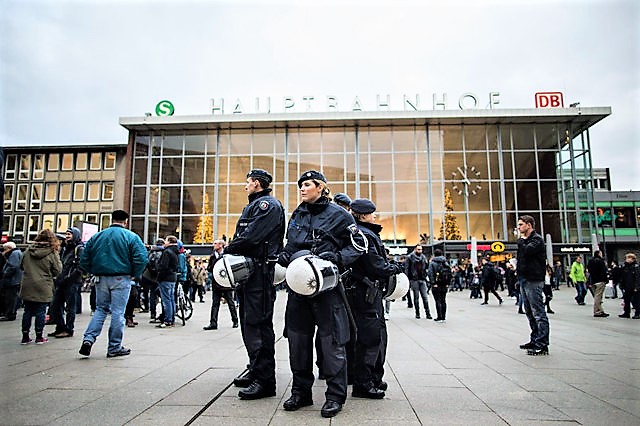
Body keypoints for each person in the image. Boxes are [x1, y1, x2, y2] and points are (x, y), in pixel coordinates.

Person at [278, 170, 366, 418]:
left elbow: (358, 245)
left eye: (307, 185)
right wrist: (286, 255)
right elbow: (291, 243)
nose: (302, 189)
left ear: (321, 187)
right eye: (300, 186)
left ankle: (335, 396)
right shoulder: (298, 213)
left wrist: (337, 258)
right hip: (298, 288)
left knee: (332, 343)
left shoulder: (339, 214)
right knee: (298, 342)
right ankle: (300, 393)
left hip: (327, 290)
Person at [224, 169, 285, 400]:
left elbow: (251, 237)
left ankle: (265, 380)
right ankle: (255, 368)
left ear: (257, 184)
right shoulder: (256, 205)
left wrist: (230, 248)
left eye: (247, 182)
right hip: (251, 274)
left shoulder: (267, 206)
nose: (245, 186)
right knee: (249, 324)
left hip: (260, 272)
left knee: (258, 325)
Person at [347, 198, 400, 399]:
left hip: (366, 293)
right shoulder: (364, 235)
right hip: (365, 294)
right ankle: (364, 384)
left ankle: (373, 379)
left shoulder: (363, 233)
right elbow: (376, 266)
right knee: (369, 339)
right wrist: (395, 268)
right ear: (363, 215)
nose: (374, 215)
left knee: (374, 337)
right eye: (371, 213)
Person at [78, 210, 148, 358]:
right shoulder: (131, 237)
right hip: (121, 278)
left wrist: (93, 270)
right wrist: (134, 274)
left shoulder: (97, 236)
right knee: (118, 312)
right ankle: (114, 346)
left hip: (101, 277)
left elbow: (84, 257)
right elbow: (141, 258)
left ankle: (88, 339)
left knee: (100, 309)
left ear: (112, 219)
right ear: (126, 221)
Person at [19, 229, 62, 344]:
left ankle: (25, 336)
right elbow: (58, 270)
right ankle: (39, 336)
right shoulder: (52, 252)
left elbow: (21, 265)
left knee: (27, 311)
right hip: (44, 284)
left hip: (28, 283)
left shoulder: (29, 250)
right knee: (41, 311)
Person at [516, 215, 550, 356]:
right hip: (525, 279)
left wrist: (521, 240)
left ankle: (542, 344)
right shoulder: (526, 241)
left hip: (534, 279)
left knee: (538, 312)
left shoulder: (537, 240)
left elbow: (527, 251)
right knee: (529, 312)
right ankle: (535, 339)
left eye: (521, 224)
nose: (518, 227)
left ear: (529, 225)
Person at [48, 227, 84, 337]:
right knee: (55, 305)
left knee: (70, 307)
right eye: (67, 234)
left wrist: (70, 278)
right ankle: (60, 327)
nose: (67, 236)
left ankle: (68, 329)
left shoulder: (79, 249)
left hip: (71, 282)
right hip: (61, 281)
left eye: (70, 234)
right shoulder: (65, 248)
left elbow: (81, 266)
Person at [204, 239, 238, 330]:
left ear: (221, 245)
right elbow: (209, 268)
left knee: (230, 303)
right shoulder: (212, 256)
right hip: (216, 284)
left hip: (226, 283)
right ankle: (213, 323)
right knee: (215, 304)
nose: (214, 245)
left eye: (215, 243)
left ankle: (235, 321)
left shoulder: (226, 255)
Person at [156, 236, 180, 328]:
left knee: (166, 300)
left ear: (169, 242)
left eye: (166, 241)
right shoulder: (176, 252)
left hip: (165, 278)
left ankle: (167, 320)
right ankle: (172, 319)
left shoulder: (167, 252)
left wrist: (159, 276)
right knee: (171, 299)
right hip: (173, 277)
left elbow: (163, 266)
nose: (164, 243)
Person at [404, 244, 432, 319]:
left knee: (425, 297)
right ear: (415, 249)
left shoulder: (423, 257)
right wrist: (408, 279)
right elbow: (407, 269)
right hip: (414, 280)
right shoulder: (410, 257)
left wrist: (426, 276)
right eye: (418, 249)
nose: (420, 251)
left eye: (421, 249)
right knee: (416, 297)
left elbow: (426, 267)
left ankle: (428, 313)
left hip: (422, 279)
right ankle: (417, 313)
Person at [141, 239, 164, 322]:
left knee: (152, 295)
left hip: (149, 276)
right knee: (163, 296)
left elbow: (146, 263)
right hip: (159, 276)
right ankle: (163, 313)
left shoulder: (151, 252)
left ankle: (152, 313)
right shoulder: (163, 252)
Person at [0, 241, 24, 321]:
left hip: (12, 280)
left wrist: (5, 273)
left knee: (10, 298)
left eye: (5, 249)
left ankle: (9, 314)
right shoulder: (18, 253)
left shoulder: (14, 254)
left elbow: (13, 266)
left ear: (9, 248)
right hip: (16, 279)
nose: (4, 251)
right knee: (12, 297)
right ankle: (10, 313)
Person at [428, 248, 450, 322]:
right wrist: (447, 283)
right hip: (444, 284)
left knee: (437, 300)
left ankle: (439, 316)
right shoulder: (445, 262)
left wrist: (433, 283)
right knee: (443, 300)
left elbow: (430, 273)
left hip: (436, 284)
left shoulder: (432, 263)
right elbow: (449, 273)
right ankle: (444, 317)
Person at [587, 250, 609, 317]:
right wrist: (606, 280)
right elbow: (603, 271)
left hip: (593, 281)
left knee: (597, 296)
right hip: (600, 280)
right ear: (599, 254)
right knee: (598, 297)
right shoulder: (601, 261)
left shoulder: (590, 261)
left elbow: (589, 270)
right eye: (601, 253)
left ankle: (597, 311)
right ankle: (598, 311)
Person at [618, 253, 640, 319]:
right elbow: (623, 277)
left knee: (636, 301)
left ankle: (638, 313)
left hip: (633, 287)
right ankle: (626, 313)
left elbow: (638, 278)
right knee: (626, 300)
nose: (626, 259)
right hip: (627, 286)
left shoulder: (636, 267)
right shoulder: (625, 267)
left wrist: (637, 287)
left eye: (628, 258)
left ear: (632, 259)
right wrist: (621, 285)